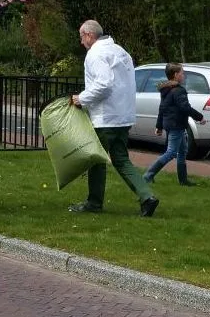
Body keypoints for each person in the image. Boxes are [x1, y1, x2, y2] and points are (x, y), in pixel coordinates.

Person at [69, 20, 160, 217]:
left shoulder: (95, 54)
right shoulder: (120, 52)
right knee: (121, 159)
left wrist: (81, 99)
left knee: (96, 160)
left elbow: (104, 85)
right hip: (123, 116)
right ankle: (146, 196)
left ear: (89, 36)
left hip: (105, 118)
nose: (81, 41)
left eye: (82, 37)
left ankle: (94, 203)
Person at [143, 63, 206, 186]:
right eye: (182, 73)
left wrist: (159, 125)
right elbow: (185, 108)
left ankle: (183, 180)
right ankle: (148, 175)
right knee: (171, 152)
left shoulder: (166, 90)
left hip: (173, 124)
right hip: (176, 124)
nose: (184, 75)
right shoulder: (178, 90)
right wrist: (200, 117)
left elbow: (162, 108)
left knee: (182, 151)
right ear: (176, 75)